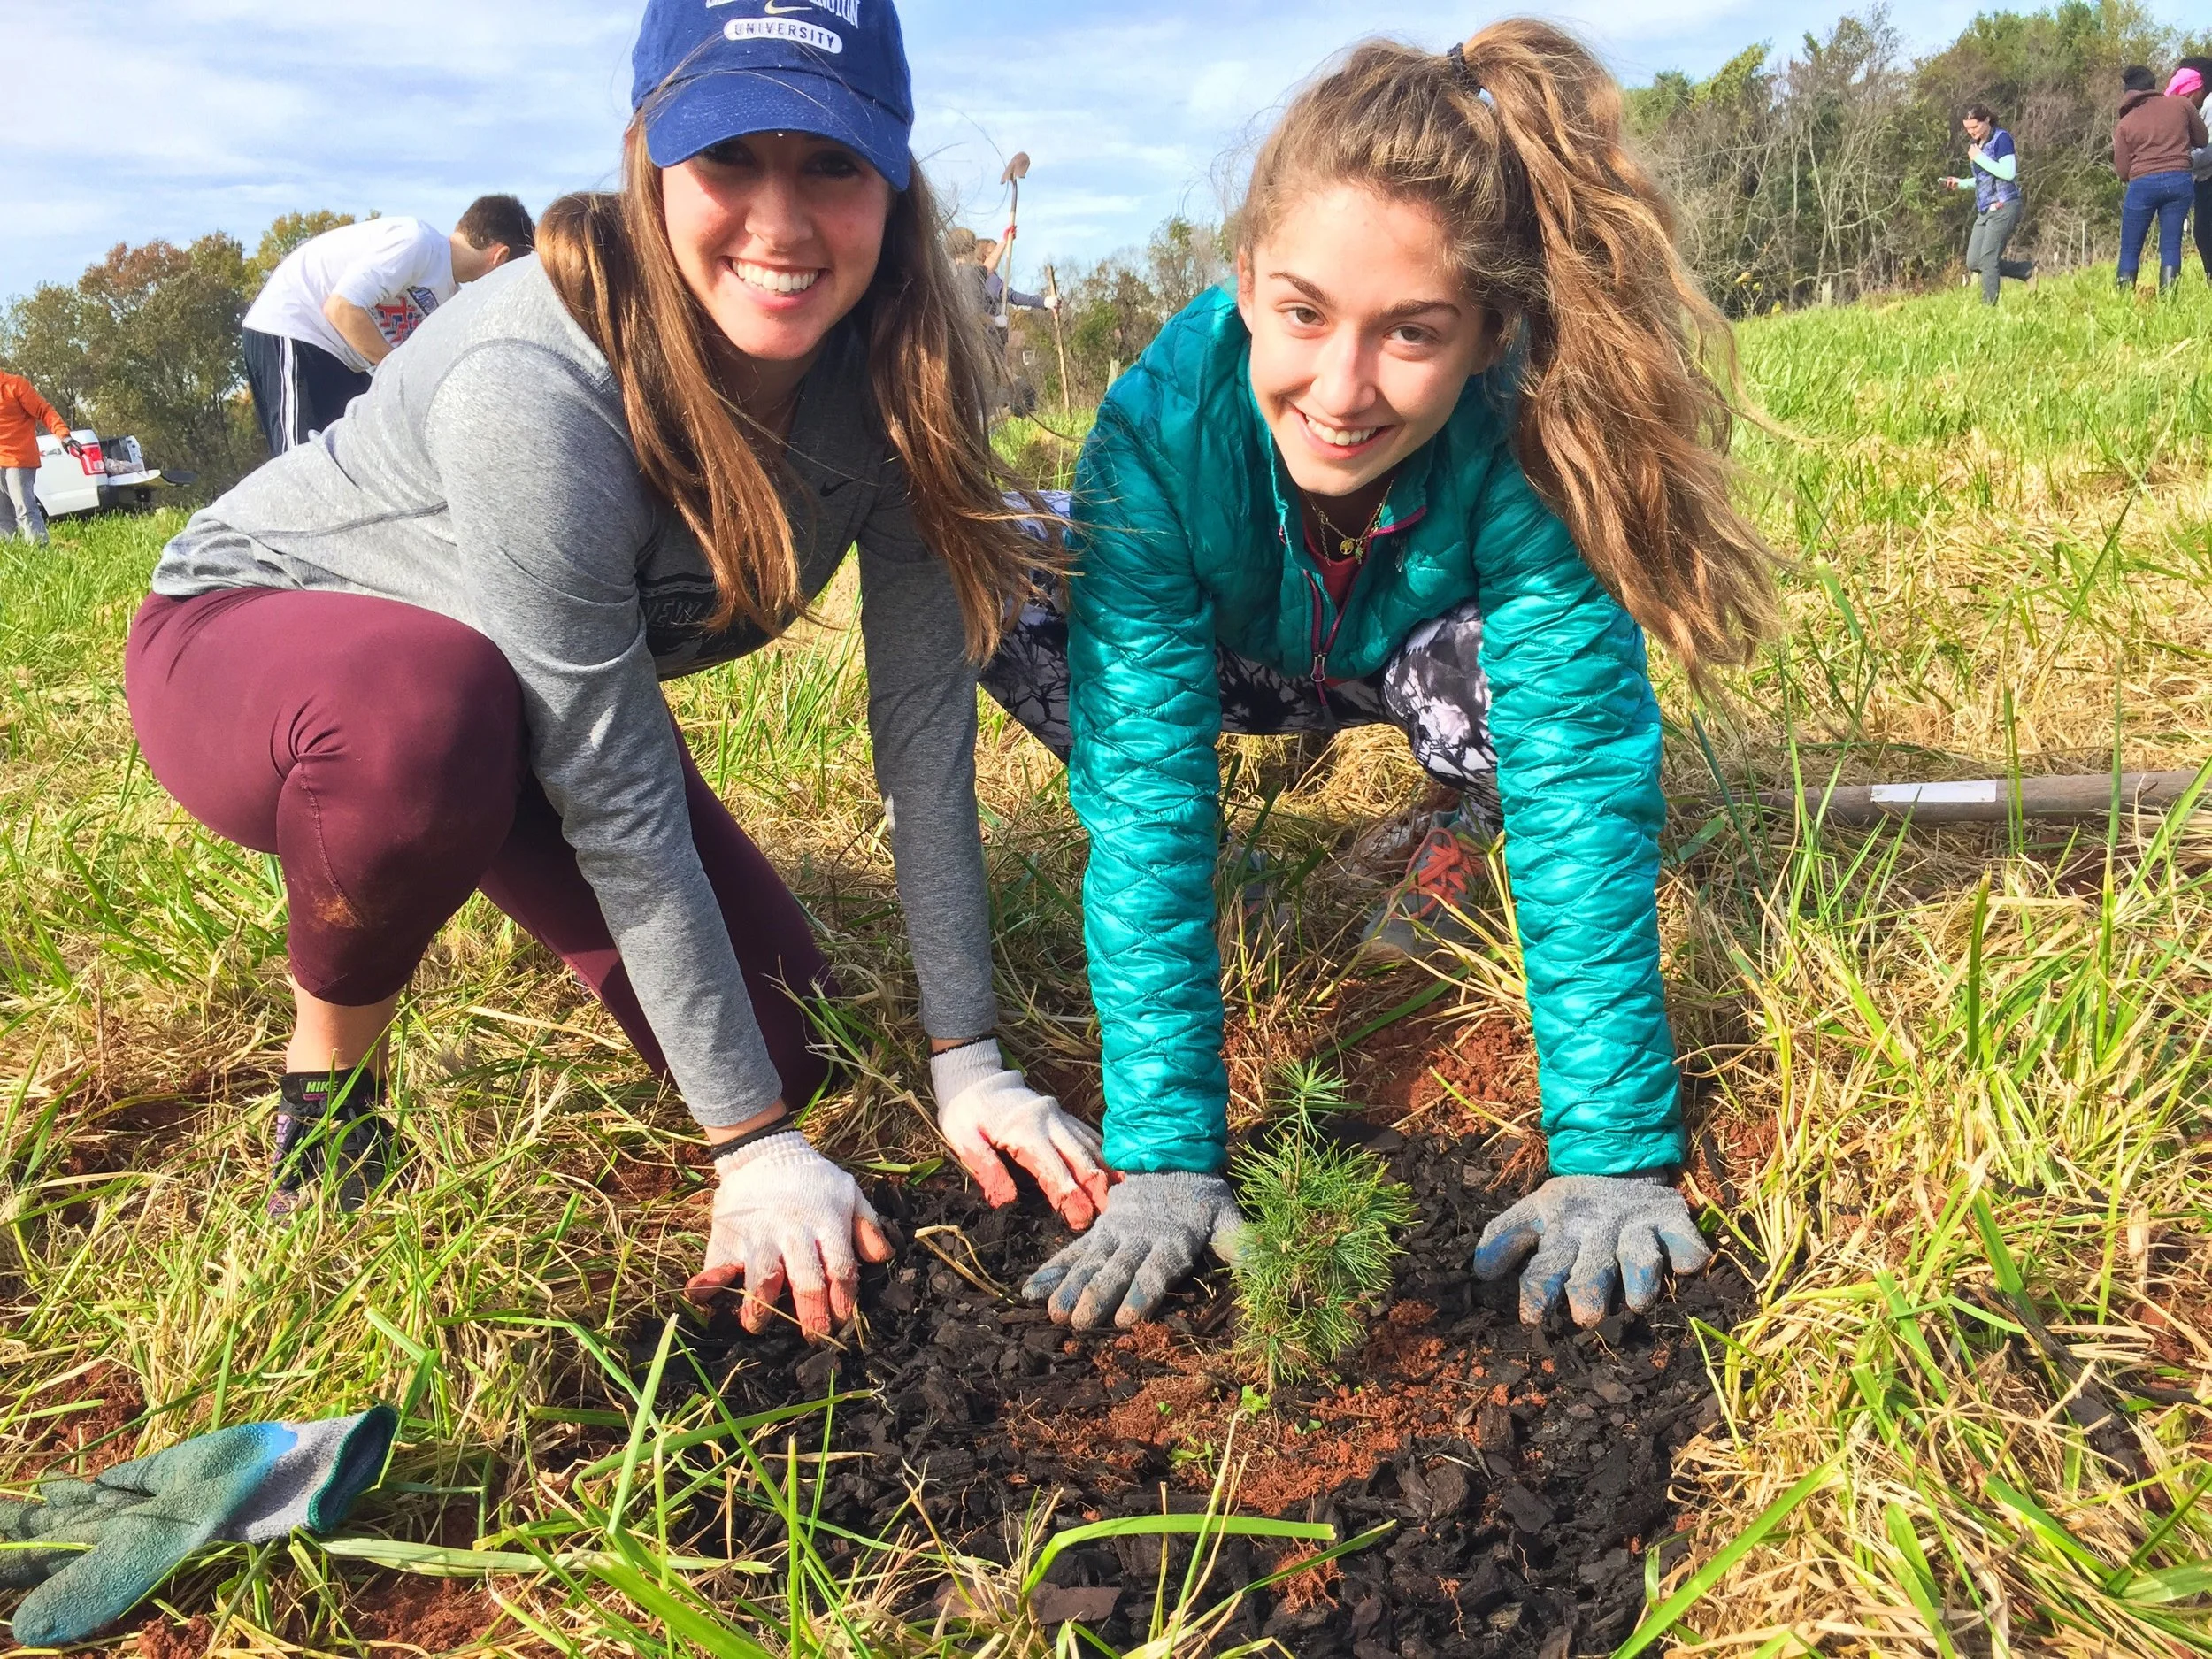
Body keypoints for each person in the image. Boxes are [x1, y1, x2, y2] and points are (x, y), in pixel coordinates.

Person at [125, 0, 1109, 1341]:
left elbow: (925, 718)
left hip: (518, 696)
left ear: (892, 175)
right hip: (265, 644)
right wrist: (750, 1146)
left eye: (829, 163)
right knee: (426, 721)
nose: (781, 221)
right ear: (651, 165)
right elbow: (624, 794)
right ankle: (328, 1093)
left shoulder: (898, 367)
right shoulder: (541, 376)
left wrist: (968, 1058)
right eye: (728, 161)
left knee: (788, 1036)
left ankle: (472, 822)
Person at [978, 21, 1777, 1333]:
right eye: (1301, 314)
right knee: (999, 567)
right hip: (1241, 651)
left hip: (1424, 656)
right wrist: (1167, 1150)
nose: (1341, 389)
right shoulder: (1165, 424)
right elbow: (1142, 790)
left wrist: (1615, 1148)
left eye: (1413, 332)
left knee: (1525, 737)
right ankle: (1249, 865)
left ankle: (1464, 820)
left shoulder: (1527, 437)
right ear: (1243, 281)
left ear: (1488, 331)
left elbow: (1577, 776)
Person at [241, 196, 537, 456]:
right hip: (296, 329)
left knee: (351, 462)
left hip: (345, 359)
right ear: (500, 257)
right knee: (303, 466)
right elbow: (341, 308)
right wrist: (397, 372)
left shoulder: (449, 296)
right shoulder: (416, 242)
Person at [2112, 64, 2208, 294]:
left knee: (2130, 248)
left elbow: (2123, 172)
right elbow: (2203, 139)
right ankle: (2169, 300)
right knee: (2171, 244)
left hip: (2142, 184)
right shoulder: (2182, 105)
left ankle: (2124, 300)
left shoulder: (2125, 124)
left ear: (2129, 92)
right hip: (2179, 180)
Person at [1939, 104, 2032, 304]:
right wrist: (1960, 183)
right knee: (1974, 261)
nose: (1971, 132)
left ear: (1987, 120)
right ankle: (2025, 270)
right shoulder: (1977, 145)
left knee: (1989, 259)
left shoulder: (2002, 139)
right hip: (1984, 210)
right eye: (1967, 129)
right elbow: (1984, 179)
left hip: (2005, 205)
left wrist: (1979, 158)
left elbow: (2008, 173)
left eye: (1974, 127)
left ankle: (1988, 307)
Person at [0, 368, 81, 546]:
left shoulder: (15, 385)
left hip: (18, 459)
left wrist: (64, 435)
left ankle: (40, 550)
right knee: (2, 516)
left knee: (24, 508)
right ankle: (10, 555)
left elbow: (44, 411)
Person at [2173, 59, 2212, 281]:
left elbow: (2208, 151)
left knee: (2204, 233)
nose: (2187, 99)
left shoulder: (2210, 106)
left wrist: (2181, 158)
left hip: (2208, 179)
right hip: (2203, 179)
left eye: (2189, 92)